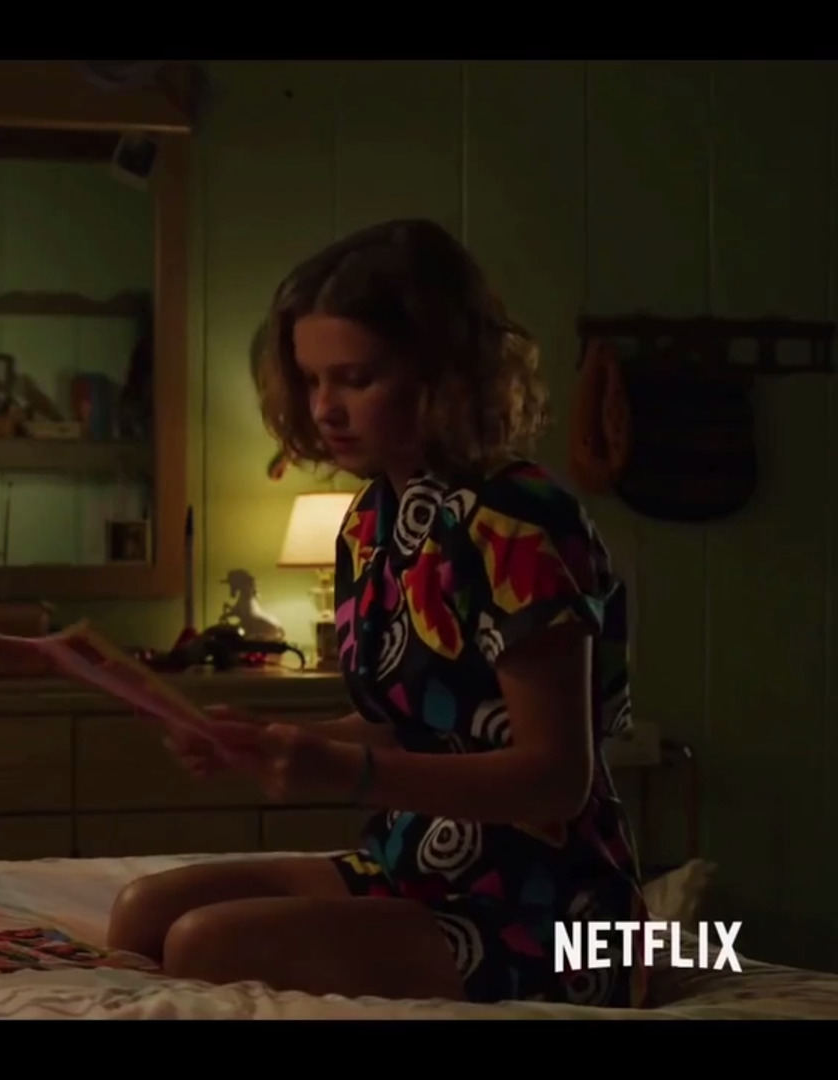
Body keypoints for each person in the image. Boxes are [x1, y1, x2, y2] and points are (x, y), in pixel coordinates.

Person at [106, 218, 647, 1009]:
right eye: (311, 379)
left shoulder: (519, 521)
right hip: (411, 863)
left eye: (355, 379)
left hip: (546, 903)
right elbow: (409, 724)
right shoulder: (370, 522)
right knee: (143, 912)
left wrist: (347, 773)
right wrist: (266, 741)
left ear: (442, 374)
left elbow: (556, 779)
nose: (325, 408)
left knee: (205, 944)